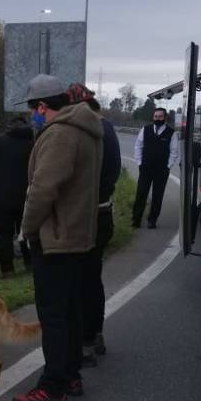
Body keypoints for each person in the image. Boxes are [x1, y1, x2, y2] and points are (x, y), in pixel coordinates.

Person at [11, 74, 103, 401]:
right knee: (71, 309)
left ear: (43, 106)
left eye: (34, 109)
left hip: (56, 239)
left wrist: (26, 230)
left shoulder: (60, 134)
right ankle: (70, 373)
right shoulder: (88, 129)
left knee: (54, 316)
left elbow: (42, 189)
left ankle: (52, 386)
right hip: (79, 235)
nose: (33, 115)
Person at [66, 83, 121, 367]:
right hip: (104, 211)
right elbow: (112, 172)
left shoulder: (83, 131)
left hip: (84, 215)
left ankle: (83, 339)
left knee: (79, 278)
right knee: (92, 274)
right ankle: (94, 333)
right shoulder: (107, 128)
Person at [0, 116, 33, 276]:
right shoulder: (34, 142)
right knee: (27, 231)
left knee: (4, 234)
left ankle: (7, 269)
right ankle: (30, 264)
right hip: (27, 195)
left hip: (3, 194)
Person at [132, 107, 178, 229]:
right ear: (153, 117)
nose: (157, 119)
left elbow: (174, 152)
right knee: (141, 193)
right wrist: (139, 163)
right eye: (156, 116)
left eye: (160, 117)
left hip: (162, 170)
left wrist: (168, 166)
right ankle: (135, 220)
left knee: (158, 195)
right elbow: (138, 146)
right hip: (145, 168)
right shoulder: (145, 130)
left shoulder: (171, 133)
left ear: (165, 118)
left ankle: (152, 220)